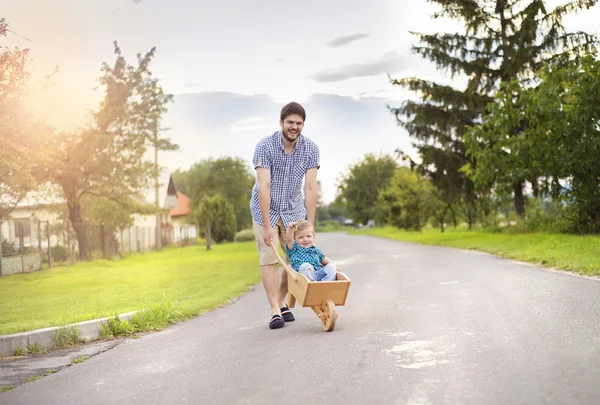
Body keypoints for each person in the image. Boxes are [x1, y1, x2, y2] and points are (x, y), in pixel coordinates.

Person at [250, 101, 320, 330]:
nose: (294, 127)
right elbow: (264, 187)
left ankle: (281, 302)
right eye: (290, 122)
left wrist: (309, 224)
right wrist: (268, 226)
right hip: (265, 211)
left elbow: (310, 187)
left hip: (293, 210)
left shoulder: (310, 149)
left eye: (299, 123)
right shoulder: (265, 146)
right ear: (281, 122)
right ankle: (274, 310)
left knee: (295, 260)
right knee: (269, 258)